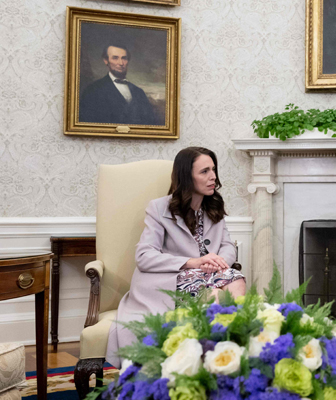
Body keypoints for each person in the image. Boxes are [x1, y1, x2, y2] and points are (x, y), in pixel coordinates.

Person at [106, 147, 246, 368]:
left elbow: (227, 245)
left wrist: (219, 263)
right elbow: (144, 256)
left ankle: (230, 354)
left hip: (208, 273)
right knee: (215, 295)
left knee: (236, 279)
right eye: (205, 171)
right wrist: (192, 262)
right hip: (170, 279)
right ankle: (212, 360)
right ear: (186, 177)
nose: (213, 177)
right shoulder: (159, 207)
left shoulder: (214, 206)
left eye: (214, 170)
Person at [79, 44, 158, 125]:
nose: (121, 63)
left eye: (124, 58)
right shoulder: (92, 90)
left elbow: (151, 123)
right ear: (106, 61)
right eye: (115, 58)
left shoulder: (139, 92)